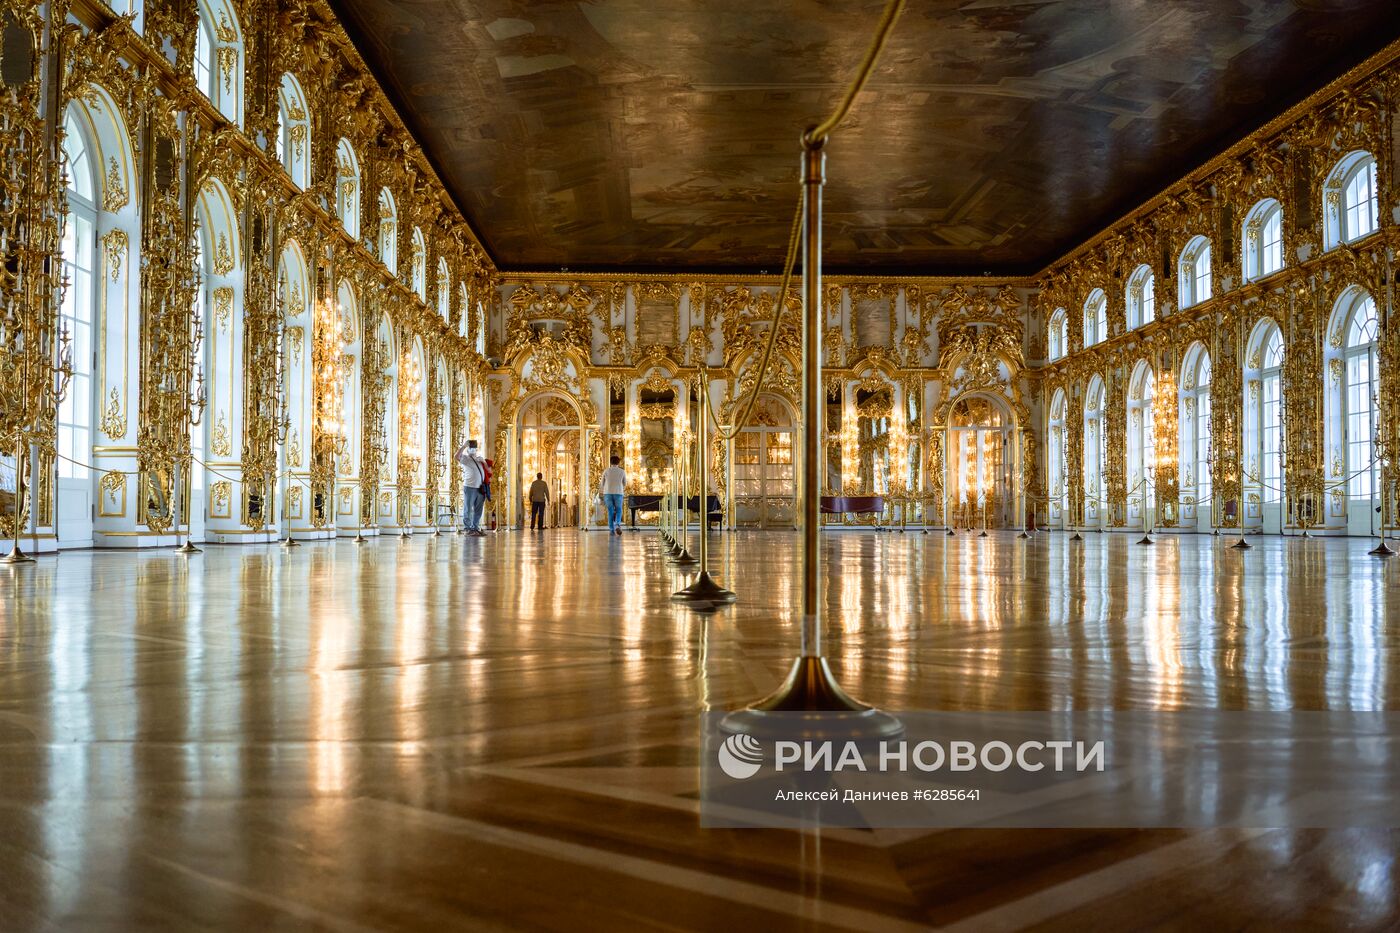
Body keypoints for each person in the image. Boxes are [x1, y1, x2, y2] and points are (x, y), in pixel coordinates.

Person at [455, 439, 488, 536]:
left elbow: (489, 471)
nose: (473, 450)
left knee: (478, 509)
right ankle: (467, 528)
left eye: (475, 448)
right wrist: (464, 446)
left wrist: (484, 462)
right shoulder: (465, 458)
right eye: (471, 448)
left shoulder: (479, 459)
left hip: (480, 488)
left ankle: (475, 527)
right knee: (468, 508)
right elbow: (456, 456)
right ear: (468, 449)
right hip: (470, 487)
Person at [600, 455, 627, 535]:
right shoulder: (622, 471)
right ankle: (617, 524)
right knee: (619, 510)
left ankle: (611, 529)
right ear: (619, 462)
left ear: (610, 462)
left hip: (607, 493)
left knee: (610, 511)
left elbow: (602, 484)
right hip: (618, 492)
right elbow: (625, 483)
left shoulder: (606, 471)